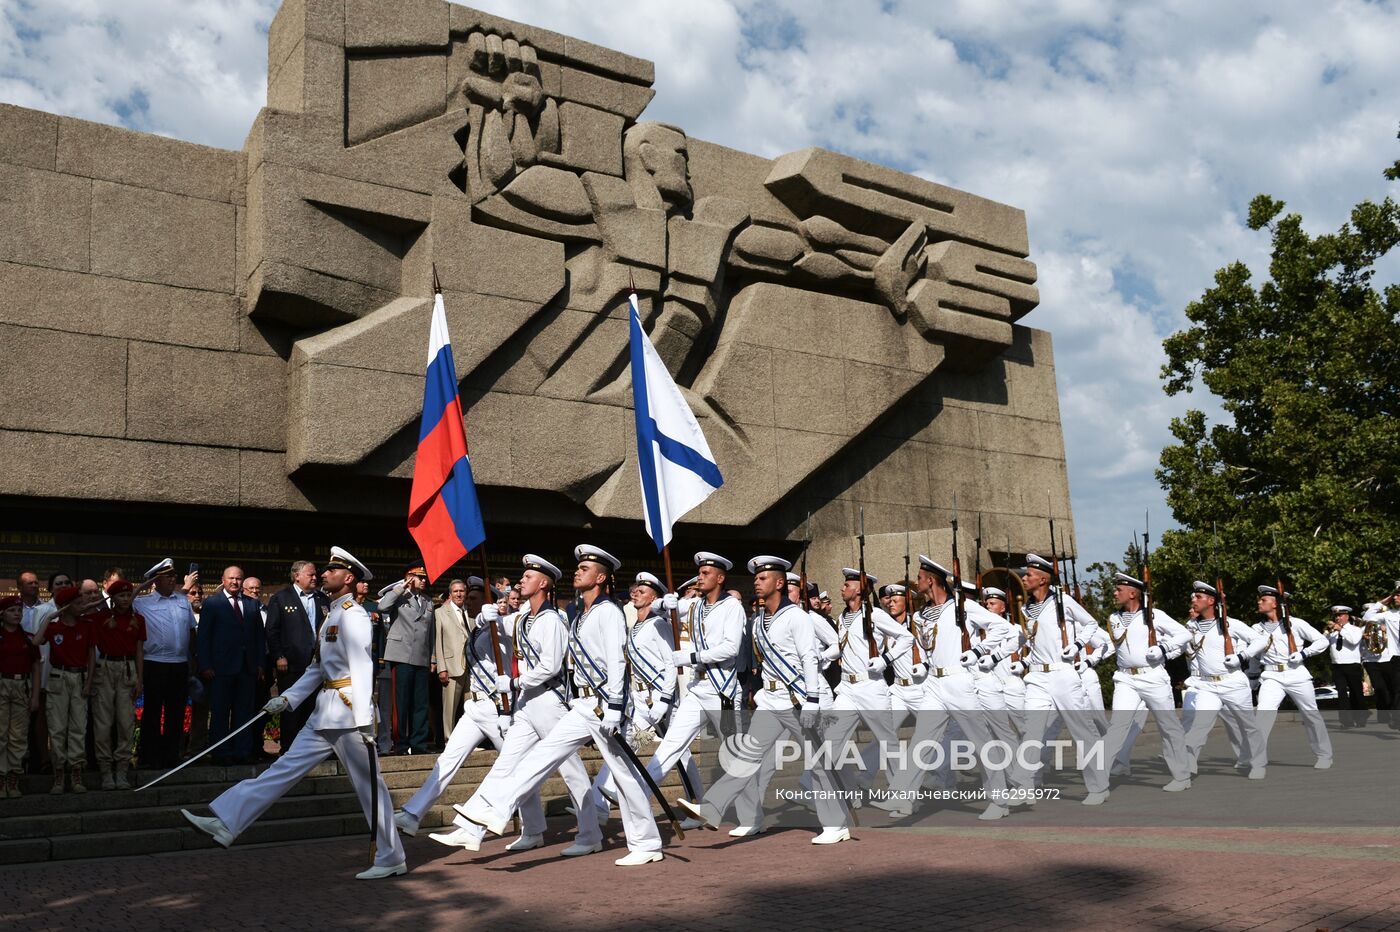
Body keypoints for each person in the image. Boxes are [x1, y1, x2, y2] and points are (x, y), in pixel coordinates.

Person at [181, 547, 406, 880]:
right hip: (324, 711)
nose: (324, 574)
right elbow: (318, 667)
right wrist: (287, 699)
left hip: (347, 715)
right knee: (282, 769)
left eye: (331, 570)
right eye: (324, 570)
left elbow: (361, 666)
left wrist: (364, 719)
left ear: (348, 578)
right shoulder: (332, 614)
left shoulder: (353, 614)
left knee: (370, 787)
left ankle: (391, 856)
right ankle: (227, 821)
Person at [458, 545, 665, 866]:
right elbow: (528, 624)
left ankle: (647, 842)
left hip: (604, 707)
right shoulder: (580, 613)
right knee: (543, 754)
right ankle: (496, 809)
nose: (578, 571)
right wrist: (496, 617)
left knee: (623, 776)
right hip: (582, 705)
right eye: (578, 567)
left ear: (601, 577)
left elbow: (616, 662)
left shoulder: (608, 611)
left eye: (585, 568)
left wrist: (615, 707)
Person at [433, 554, 604, 857]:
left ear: (543, 584)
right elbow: (501, 624)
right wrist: (487, 616)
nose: (521, 581)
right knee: (506, 763)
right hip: (526, 704)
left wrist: (513, 683)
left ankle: (591, 834)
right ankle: (472, 830)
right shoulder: (525, 617)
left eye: (527, 577)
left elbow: (551, 666)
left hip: (549, 701)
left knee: (572, 772)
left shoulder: (552, 619)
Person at [677, 556, 850, 845]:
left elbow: (809, 658)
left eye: (763, 578)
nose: (756, 582)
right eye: (756, 578)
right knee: (747, 757)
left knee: (817, 762)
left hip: (796, 699)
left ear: (779, 583)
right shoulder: (758, 621)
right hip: (770, 700)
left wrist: (812, 700)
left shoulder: (797, 616)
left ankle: (836, 824)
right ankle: (712, 808)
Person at [395, 579, 512, 838]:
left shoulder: (498, 626)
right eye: (466, 598)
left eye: (472, 599)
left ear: (487, 602)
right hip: (475, 706)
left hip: (495, 708)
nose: (466, 602)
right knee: (447, 759)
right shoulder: (479, 628)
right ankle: (413, 814)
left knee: (514, 766)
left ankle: (532, 826)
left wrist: (498, 620)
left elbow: (511, 635)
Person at [1008, 554, 1110, 805]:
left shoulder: (1063, 601)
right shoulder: (1026, 607)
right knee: (1031, 731)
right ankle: (1023, 787)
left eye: (1029, 575)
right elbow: (1027, 640)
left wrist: (1076, 645)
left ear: (1043, 579)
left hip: (1063, 673)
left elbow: (1092, 624)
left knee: (1082, 730)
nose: (1024, 578)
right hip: (1037, 677)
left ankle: (1099, 787)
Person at [1096, 573, 1193, 793]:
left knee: (1168, 727)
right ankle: (1098, 779)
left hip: (1152, 677)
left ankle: (1181, 776)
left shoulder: (1154, 615)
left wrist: (1162, 649)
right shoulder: (1114, 618)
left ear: (1132, 593)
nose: (1114, 592)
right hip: (1125, 678)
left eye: (1119, 589)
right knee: (1117, 727)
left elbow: (1184, 634)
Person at [1178, 581, 1267, 778]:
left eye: (1198, 597)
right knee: (1199, 726)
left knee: (1247, 725)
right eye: (1193, 597)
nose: (1193, 600)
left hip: (1232, 682)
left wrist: (1242, 657)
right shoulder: (1191, 626)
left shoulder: (1230, 623)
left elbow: (1261, 640)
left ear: (1211, 601)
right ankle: (1186, 769)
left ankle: (1258, 763)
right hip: (1207, 685)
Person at [1251, 585, 1332, 769]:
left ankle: (1324, 754)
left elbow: (1322, 641)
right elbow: (1254, 654)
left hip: (1296, 673)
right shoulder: (1256, 628)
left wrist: (1305, 654)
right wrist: (1253, 676)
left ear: (1275, 604)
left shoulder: (1296, 623)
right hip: (1271, 675)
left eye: (1263, 600)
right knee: (1263, 714)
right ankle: (1258, 761)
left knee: (1311, 715)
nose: (1259, 602)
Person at [196, 567, 267, 765]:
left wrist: (260, 663)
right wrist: (205, 665)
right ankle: (221, 753)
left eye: (238, 579)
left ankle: (242, 751)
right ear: (223, 580)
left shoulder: (253, 604)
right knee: (220, 712)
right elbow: (204, 637)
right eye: (231, 578)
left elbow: (259, 638)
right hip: (220, 669)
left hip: (247, 668)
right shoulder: (212, 603)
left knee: (244, 712)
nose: (235, 582)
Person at [132, 559, 198, 769]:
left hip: (178, 664)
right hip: (154, 663)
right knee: (152, 713)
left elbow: (191, 631)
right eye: (167, 577)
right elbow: (123, 601)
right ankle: (149, 757)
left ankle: (171, 756)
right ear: (156, 581)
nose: (172, 580)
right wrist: (144, 585)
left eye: (173, 577)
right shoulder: (143, 603)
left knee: (176, 712)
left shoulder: (182, 601)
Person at [34, 586, 98, 793]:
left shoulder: (86, 625)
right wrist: (52, 616)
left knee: (78, 727)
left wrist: (89, 682)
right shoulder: (54, 627)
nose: (82, 607)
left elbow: (90, 654)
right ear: (66, 607)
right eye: (78, 604)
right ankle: (59, 774)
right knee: (57, 728)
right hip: (58, 679)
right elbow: (36, 641)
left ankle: (76, 772)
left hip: (79, 678)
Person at [264, 560, 329, 755]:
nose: (315, 577)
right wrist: (279, 655)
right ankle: (289, 751)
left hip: (317, 665)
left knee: (313, 709)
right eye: (311, 574)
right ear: (296, 576)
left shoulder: (322, 599)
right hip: (291, 665)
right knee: (291, 709)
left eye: (315, 574)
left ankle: (308, 751)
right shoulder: (281, 598)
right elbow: (272, 630)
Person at [91, 580, 145, 789]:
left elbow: (140, 650)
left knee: (125, 722)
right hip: (104, 668)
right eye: (120, 596)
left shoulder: (138, 619)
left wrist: (140, 678)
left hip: (127, 668)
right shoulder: (101, 617)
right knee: (102, 722)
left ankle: (122, 769)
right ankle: (105, 770)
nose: (124, 599)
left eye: (127, 595)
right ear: (111, 598)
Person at [377, 565, 436, 755]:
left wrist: (433, 657)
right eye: (419, 577)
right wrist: (401, 587)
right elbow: (382, 606)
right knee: (401, 703)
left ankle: (419, 743)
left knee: (420, 703)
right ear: (409, 578)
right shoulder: (399, 596)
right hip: (401, 655)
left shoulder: (428, 601)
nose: (424, 581)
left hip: (421, 657)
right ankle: (401, 743)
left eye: (424, 578)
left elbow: (431, 633)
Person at [0, 595, 41, 797]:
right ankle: (1, 777)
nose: (16, 614)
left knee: (18, 734)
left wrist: (34, 696)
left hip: (21, 685)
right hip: (2, 684)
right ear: (2, 614)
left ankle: (13, 777)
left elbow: (35, 666)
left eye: (18, 611)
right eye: (11, 611)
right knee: (1, 733)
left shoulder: (27, 637)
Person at [433, 578, 475, 736]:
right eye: (455, 591)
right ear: (450, 594)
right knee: (449, 708)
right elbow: (438, 641)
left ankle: (468, 739)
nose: (459, 594)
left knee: (470, 708)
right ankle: (448, 739)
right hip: (451, 668)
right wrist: (441, 668)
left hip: (471, 669)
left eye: (462, 591)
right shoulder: (440, 612)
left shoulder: (470, 612)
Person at [1361, 586, 1400, 730]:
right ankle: (1396, 718)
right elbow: (1367, 617)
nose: (1395, 598)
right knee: (1397, 689)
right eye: (1394, 595)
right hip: (1396, 658)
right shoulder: (1390, 615)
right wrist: (1388, 598)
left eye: (1398, 595)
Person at [1328, 605, 1366, 728]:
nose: (1337, 618)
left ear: (1347, 616)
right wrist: (1326, 632)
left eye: (1340, 615)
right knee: (1342, 694)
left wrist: (1340, 630)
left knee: (1357, 693)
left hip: (1352, 665)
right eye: (1336, 616)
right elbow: (1323, 644)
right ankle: (1346, 721)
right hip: (1337, 666)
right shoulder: (1332, 632)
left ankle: (1360, 718)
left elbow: (1354, 640)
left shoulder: (1355, 629)